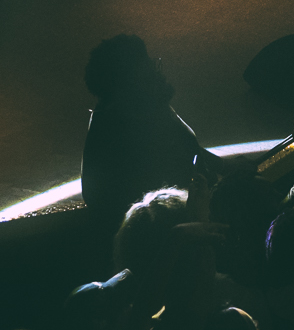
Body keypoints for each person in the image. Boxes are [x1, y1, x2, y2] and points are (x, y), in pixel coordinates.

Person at [81, 33, 216, 238]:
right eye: (147, 66)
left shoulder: (144, 108)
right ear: (129, 80)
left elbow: (185, 146)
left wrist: (223, 165)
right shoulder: (122, 132)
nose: (156, 70)